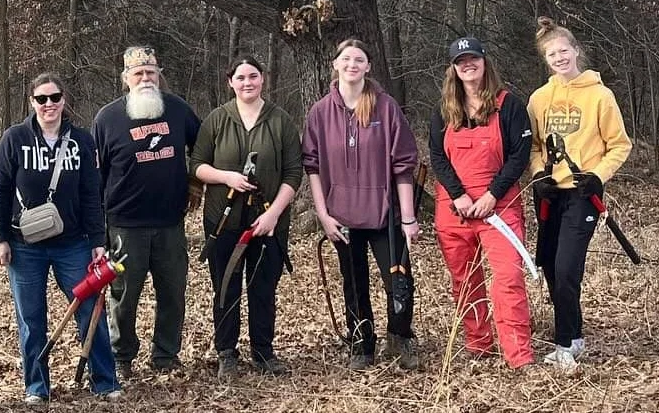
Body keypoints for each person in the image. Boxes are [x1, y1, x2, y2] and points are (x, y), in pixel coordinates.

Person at [0, 73, 121, 403]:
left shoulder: (81, 141)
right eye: (42, 98)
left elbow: (93, 193)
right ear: (31, 102)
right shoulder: (14, 138)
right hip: (25, 245)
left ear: (64, 100)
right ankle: (37, 387)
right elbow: (1, 190)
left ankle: (104, 381)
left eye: (55, 97)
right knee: (31, 318)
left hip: (74, 244)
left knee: (90, 310)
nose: (49, 104)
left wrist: (97, 240)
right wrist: (1, 237)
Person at [303, 38, 422, 371]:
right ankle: (361, 342)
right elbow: (311, 166)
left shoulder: (385, 107)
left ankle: (399, 337)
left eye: (359, 59)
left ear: (368, 66)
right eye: (346, 59)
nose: (352, 64)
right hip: (342, 216)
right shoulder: (320, 112)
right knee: (353, 282)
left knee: (398, 280)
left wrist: (408, 218)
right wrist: (323, 215)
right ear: (335, 64)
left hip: (385, 214)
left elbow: (403, 165)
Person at [528, 17, 632, 370]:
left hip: (581, 195)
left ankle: (563, 347)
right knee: (552, 269)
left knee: (567, 267)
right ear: (546, 60)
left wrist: (598, 177)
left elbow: (619, 145)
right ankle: (574, 335)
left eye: (563, 51)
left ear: (575, 51)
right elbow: (535, 146)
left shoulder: (601, 96)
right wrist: (539, 173)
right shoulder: (540, 99)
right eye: (551, 54)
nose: (559, 58)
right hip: (550, 195)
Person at [90, 46, 201, 378]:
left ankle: (166, 354)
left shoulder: (178, 110)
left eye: (151, 72)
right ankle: (122, 356)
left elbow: (204, 146)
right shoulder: (107, 118)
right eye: (138, 73)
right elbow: (97, 175)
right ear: (126, 78)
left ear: (159, 74)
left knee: (173, 291)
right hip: (125, 225)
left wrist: (195, 180)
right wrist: (98, 227)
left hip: (170, 221)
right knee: (123, 295)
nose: (145, 78)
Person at [190, 57, 303, 380]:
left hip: (269, 221)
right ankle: (227, 352)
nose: (247, 82)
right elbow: (196, 165)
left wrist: (273, 214)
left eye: (253, 76)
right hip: (223, 221)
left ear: (263, 79)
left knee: (263, 288)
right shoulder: (217, 120)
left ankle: (263, 351)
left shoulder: (280, 121)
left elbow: (293, 173)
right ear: (230, 82)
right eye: (240, 77)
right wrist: (227, 177)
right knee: (225, 287)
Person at [428, 37, 535, 369]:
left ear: (485, 62)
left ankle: (518, 354)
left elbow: (519, 156)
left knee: (508, 278)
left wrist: (492, 195)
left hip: (499, 207)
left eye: (473, 58)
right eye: (461, 61)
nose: (467, 64)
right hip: (454, 209)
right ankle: (479, 344)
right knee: (464, 281)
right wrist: (459, 195)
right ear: (454, 69)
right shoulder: (444, 110)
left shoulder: (509, 106)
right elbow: (436, 157)